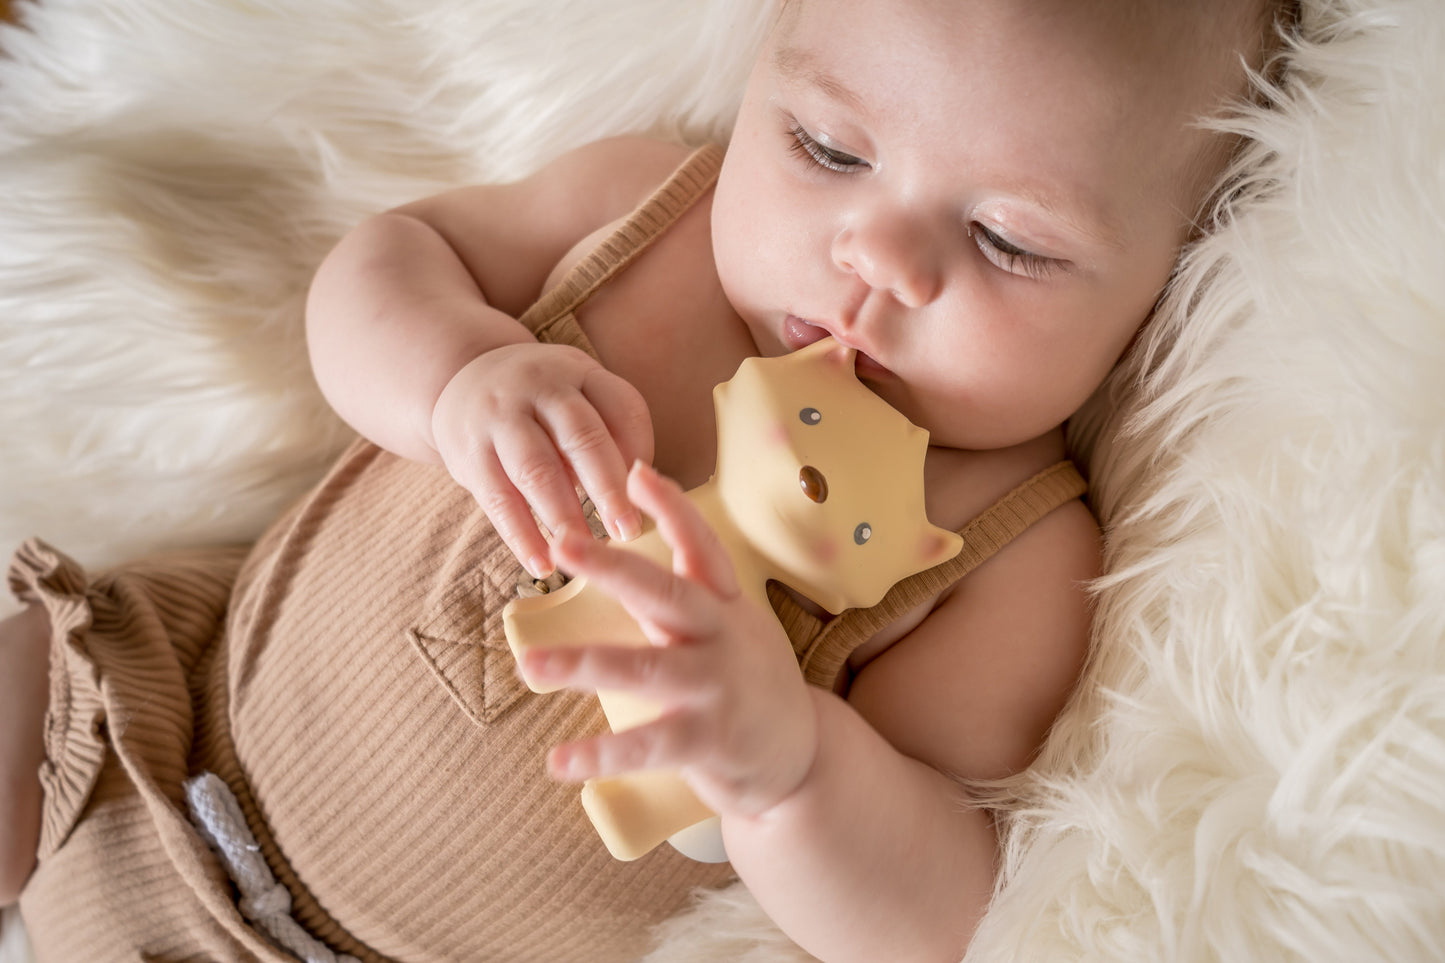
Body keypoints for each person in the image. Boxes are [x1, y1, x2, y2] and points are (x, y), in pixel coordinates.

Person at [0, 0, 1293, 960]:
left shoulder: (1007, 550)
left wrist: (791, 769)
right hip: (157, 706)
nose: (874, 253)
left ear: (1161, 285)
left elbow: (937, 907)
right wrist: (454, 378)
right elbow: (390, 258)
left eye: (1008, 241)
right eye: (829, 149)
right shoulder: (646, 214)